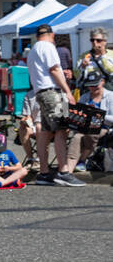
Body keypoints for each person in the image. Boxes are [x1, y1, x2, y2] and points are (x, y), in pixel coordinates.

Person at [27, 23, 83, 185]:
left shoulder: (34, 50)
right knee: (62, 129)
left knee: (45, 131)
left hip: (41, 92)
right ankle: (63, 171)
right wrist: (67, 91)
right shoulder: (49, 47)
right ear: (52, 35)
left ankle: (44, 173)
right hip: (53, 92)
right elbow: (54, 70)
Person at [75, 69, 113, 171]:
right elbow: (78, 115)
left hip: (104, 127)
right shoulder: (84, 97)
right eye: (91, 85)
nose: (93, 88)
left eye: (96, 84)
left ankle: (82, 160)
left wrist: (98, 114)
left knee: (91, 133)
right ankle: (69, 165)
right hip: (84, 127)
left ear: (102, 82)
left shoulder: (110, 96)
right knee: (76, 138)